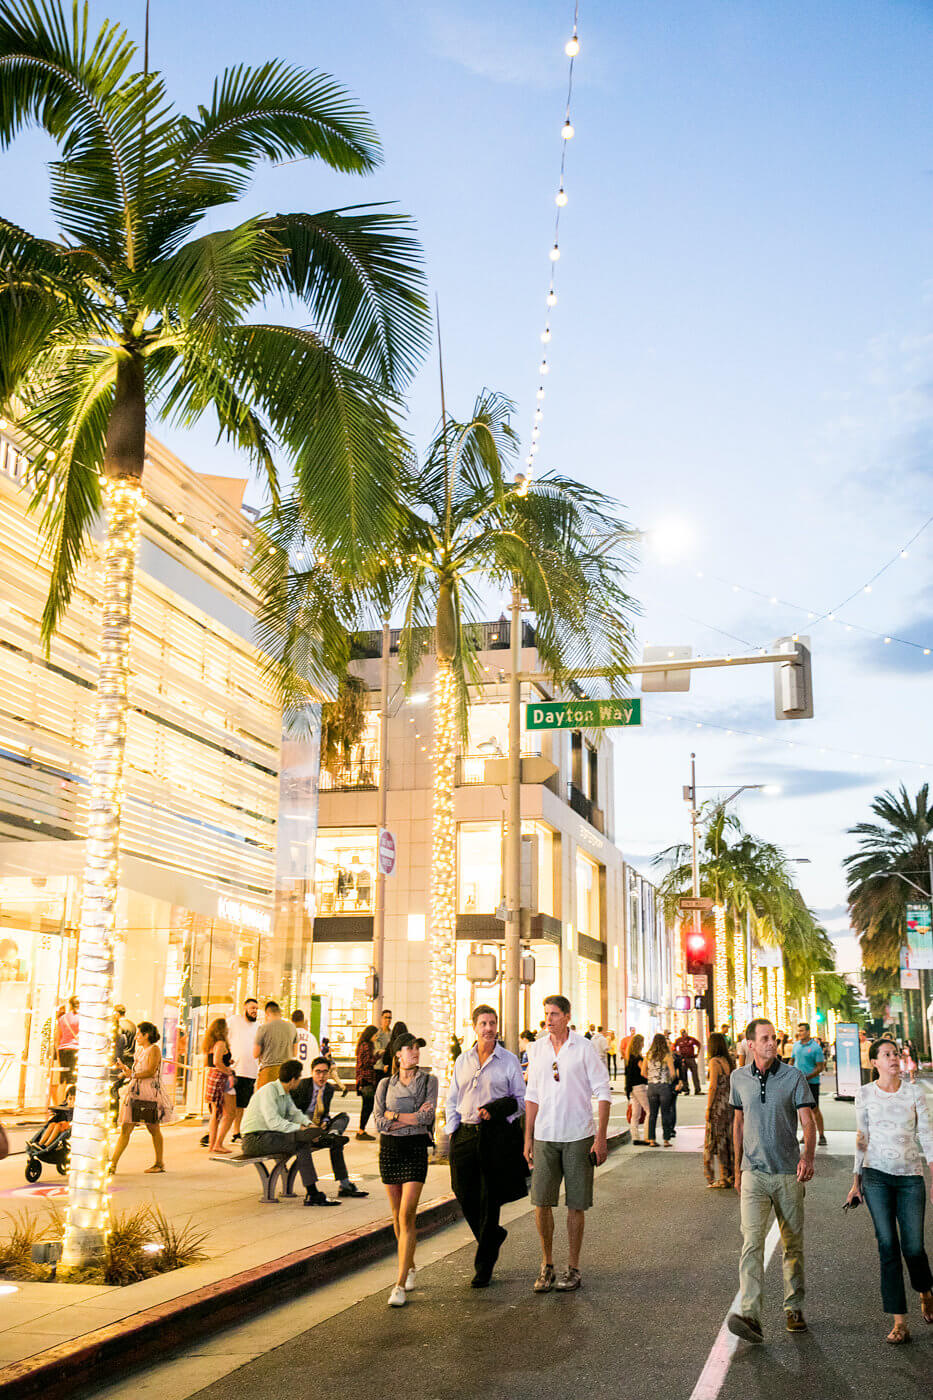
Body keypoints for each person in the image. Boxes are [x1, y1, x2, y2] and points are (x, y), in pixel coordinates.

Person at [726, 1018, 816, 1344]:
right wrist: (737, 1168)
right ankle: (750, 1314)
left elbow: (807, 1122)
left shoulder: (794, 1077)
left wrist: (808, 1156)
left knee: (792, 1245)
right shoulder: (738, 1078)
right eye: (764, 1039)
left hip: (788, 1173)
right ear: (750, 1044)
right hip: (753, 1173)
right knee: (751, 1243)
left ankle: (794, 1307)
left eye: (773, 1039)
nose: (771, 1044)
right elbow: (738, 1123)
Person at [845, 1037, 933, 1343]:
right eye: (887, 1054)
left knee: (913, 1247)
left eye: (896, 1053)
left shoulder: (914, 1093)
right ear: (875, 1063)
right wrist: (856, 1180)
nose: (894, 1058)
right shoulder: (865, 1094)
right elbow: (861, 1137)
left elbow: (927, 1134)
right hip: (876, 1177)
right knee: (887, 1245)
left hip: (910, 1177)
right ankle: (900, 1322)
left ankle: (925, 1289)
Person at [524, 994, 612, 1293]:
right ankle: (547, 1265)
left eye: (555, 1014)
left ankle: (573, 1267)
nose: (549, 1019)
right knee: (541, 1202)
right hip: (545, 1135)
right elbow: (532, 1095)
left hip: (578, 1136)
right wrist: (528, 1137)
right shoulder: (536, 1049)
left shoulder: (584, 1048)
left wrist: (600, 1138)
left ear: (567, 1016)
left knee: (576, 1204)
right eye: (546, 1013)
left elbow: (603, 1091)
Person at [446, 1005, 527, 1287]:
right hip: (465, 1135)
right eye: (483, 1023)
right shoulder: (462, 1060)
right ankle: (492, 1236)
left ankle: (484, 1267)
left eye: (493, 1023)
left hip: (495, 1137)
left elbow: (520, 1100)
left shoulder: (508, 1060)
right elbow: (452, 1098)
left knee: (489, 1199)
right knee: (462, 1191)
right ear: (474, 1026)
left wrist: (498, 1111)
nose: (489, 1028)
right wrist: (451, 1132)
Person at [373, 1032, 438, 1307]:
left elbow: (427, 1118)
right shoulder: (385, 1084)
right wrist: (406, 1120)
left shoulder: (429, 1081)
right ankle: (409, 1265)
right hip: (389, 1150)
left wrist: (395, 1116)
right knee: (396, 1217)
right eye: (409, 1048)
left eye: (417, 1048)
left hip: (414, 1151)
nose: (415, 1052)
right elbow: (378, 1122)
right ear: (398, 1053)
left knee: (407, 1214)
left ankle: (399, 1284)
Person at [239, 1059, 340, 1207]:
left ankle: (313, 1193)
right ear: (293, 1080)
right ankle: (313, 1193)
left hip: (269, 1136)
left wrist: (308, 1124)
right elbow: (274, 1122)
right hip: (255, 1140)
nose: (300, 1081)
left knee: (303, 1141)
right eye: (299, 1077)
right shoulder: (269, 1091)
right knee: (302, 1140)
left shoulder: (284, 1093)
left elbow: (295, 1113)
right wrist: (301, 1129)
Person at [290, 1057, 369, 1198]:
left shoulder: (328, 1089)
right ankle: (344, 1184)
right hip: (303, 1126)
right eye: (318, 1072)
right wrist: (307, 1125)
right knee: (335, 1143)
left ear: (329, 1073)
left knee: (343, 1118)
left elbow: (325, 1112)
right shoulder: (303, 1085)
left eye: (325, 1072)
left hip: (320, 1127)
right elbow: (293, 1111)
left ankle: (333, 1134)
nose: (321, 1076)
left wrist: (325, 1121)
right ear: (312, 1072)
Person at [111, 1022, 169, 1174]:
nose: (136, 1037)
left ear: (146, 1035)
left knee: (153, 1127)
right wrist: (124, 1069)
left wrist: (133, 1075)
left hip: (148, 1093)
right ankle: (112, 1164)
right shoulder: (140, 1051)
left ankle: (159, 1162)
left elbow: (150, 1071)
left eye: (139, 1034)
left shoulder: (154, 1049)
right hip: (136, 1091)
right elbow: (137, 1071)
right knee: (126, 1128)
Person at [704, 1032, 735, 1188]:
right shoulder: (729, 1060)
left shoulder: (714, 1062)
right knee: (730, 1139)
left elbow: (713, 1086)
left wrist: (709, 1108)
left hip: (719, 1105)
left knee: (719, 1140)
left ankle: (722, 1177)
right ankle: (732, 1174)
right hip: (730, 1104)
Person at [228, 997, 260, 1141]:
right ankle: (234, 1132)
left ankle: (239, 1131)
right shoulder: (234, 1021)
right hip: (236, 1069)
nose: (254, 1011)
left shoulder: (258, 1027)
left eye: (256, 1009)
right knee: (234, 1105)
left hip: (252, 1071)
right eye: (252, 1008)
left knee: (244, 1105)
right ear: (245, 1008)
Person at [203, 1017, 236, 1154]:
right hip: (222, 1079)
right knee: (230, 1113)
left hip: (211, 1077)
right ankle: (218, 1143)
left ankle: (212, 1144)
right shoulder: (221, 1043)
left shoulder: (209, 1044)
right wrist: (228, 1070)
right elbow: (217, 1061)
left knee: (215, 1113)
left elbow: (209, 1062)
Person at [792, 1021, 828, 1147]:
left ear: (808, 1032)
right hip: (798, 1084)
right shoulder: (796, 1045)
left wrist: (807, 1077)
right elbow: (792, 1061)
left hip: (812, 1083)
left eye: (802, 1031)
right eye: (799, 1031)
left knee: (815, 1109)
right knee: (802, 1110)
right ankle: (806, 1134)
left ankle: (822, 1135)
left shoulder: (815, 1047)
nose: (800, 1033)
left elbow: (820, 1067)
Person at [642, 1033, 676, 1147]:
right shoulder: (667, 1055)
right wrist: (669, 1079)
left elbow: (643, 1072)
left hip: (651, 1086)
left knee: (653, 1114)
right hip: (664, 1086)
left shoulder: (648, 1055)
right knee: (665, 1113)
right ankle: (666, 1140)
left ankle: (651, 1139)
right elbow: (673, 1073)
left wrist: (651, 1078)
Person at [253, 1001, 297, 1090]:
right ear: (279, 1013)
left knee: (266, 1101)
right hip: (287, 1072)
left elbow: (255, 1054)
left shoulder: (263, 1028)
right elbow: (295, 1053)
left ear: (267, 1014)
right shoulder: (292, 1027)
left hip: (268, 1073)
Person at [355, 1024, 380, 1140]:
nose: (376, 1037)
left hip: (364, 1079)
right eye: (375, 1035)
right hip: (366, 1079)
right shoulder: (366, 1046)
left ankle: (361, 1130)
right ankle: (361, 1131)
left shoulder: (363, 1045)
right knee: (367, 1106)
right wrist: (378, 1056)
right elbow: (367, 1062)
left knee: (367, 1106)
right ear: (370, 1035)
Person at [624, 1033, 649, 1143]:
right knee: (650, 1111)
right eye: (642, 1042)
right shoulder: (638, 1059)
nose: (644, 1044)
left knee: (635, 1113)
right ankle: (648, 1136)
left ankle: (635, 1137)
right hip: (639, 1086)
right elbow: (644, 1073)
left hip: (631, 1088)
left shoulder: (629, 1058)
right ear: (639, 1044)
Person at [54, 996, 79, 1089]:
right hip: (75, 1049)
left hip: (62, 1049)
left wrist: (58, 1051)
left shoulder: (62, 1018)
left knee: (64, 1077)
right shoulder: (82, 1018)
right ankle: (70, 1100)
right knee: (72, 1079)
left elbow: (57, 1037)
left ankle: (63, 1101)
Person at [291, 1009, 321, 1078]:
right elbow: (316, 1060)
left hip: (292, 1077)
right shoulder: (311, 1037)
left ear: (291, 1020)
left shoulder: (289, 1036)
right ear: (303, 1020)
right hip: (307, 1076)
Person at [674, 1028, 702, 1094]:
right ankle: (686, 1089)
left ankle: (697, 1089)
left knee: (695, 1074)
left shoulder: (691, 1039)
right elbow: (674, 1047)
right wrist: (677, 1054)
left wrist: (697, 1053)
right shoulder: (678, 1040)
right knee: (684, 1074)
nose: (684, 1034)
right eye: (682, 1033)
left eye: (685, 1033)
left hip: (691, 1058)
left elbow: (698, 1044)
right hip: (683, 1059)